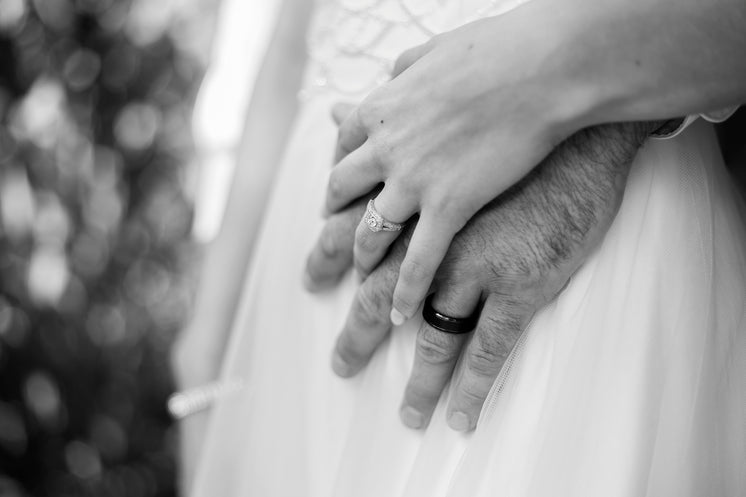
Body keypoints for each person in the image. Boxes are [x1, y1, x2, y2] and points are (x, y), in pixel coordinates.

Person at [172, 0, 746, 494]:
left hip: (571, 254)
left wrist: (591, 116)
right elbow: (288, 49)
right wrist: (208, 337)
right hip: (297, 311)